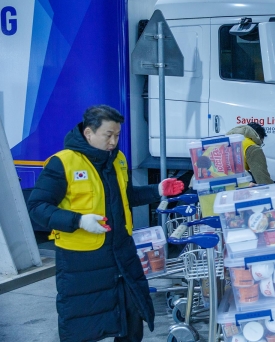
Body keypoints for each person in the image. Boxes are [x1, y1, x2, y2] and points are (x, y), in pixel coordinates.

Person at [27, 105, 184, 342]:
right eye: (108, 135)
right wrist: (78, 220)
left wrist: (157, 190)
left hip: (122, 252)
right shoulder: (63, 163)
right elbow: (37, 207)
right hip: (83, 261)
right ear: (89, 133)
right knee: (85, 323)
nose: (113, 141)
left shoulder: (117, 160)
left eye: (117, 135)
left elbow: (125, 196)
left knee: (131, 316)